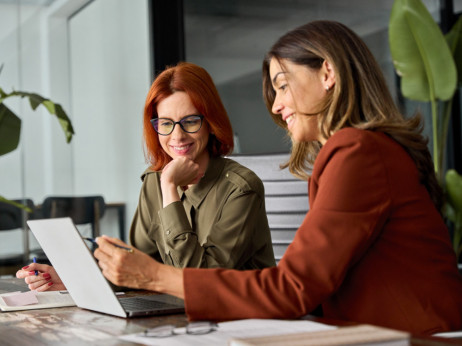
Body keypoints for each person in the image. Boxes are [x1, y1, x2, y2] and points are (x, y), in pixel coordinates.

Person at [24, 20, 462, 334]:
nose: (275, 105)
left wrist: (154, 276)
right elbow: (135, 264)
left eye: (283, 85)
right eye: (165, 124)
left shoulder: (357, 152)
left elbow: (291, 288)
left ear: (328, 72)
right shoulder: (359, 152)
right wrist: (82, 277)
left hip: (412, 336)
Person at [17, 62, 275, 291]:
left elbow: (198, 281)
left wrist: (170, 188)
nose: (177, 136)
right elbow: (138, 266)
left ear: (210, 122)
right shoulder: (154, 181)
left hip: (236, 320)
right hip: (173, 315)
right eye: (165, 123)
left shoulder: (241, 188)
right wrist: (71, 279)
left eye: (190, 121)